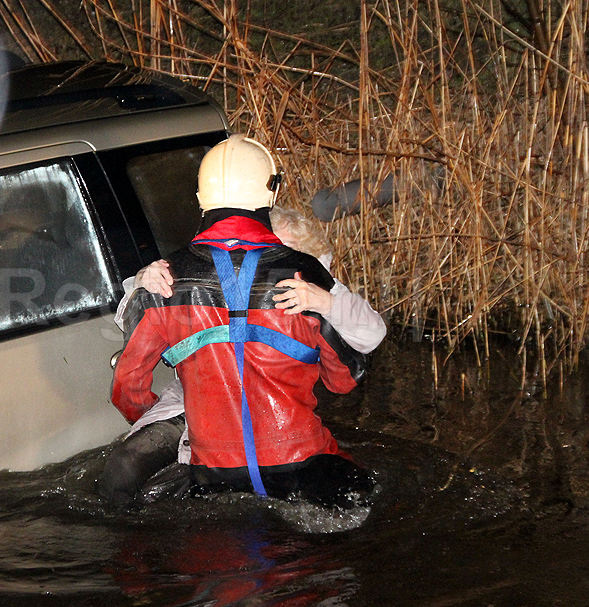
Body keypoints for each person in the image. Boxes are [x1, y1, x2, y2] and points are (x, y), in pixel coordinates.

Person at [99, 135, 386, 508]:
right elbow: (343, 379)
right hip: (298, 462)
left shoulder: (163, 280)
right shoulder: (305, 276)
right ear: (269, 195)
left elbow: (127, 384)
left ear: (201, 198)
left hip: (211, 470)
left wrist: (186, 422)